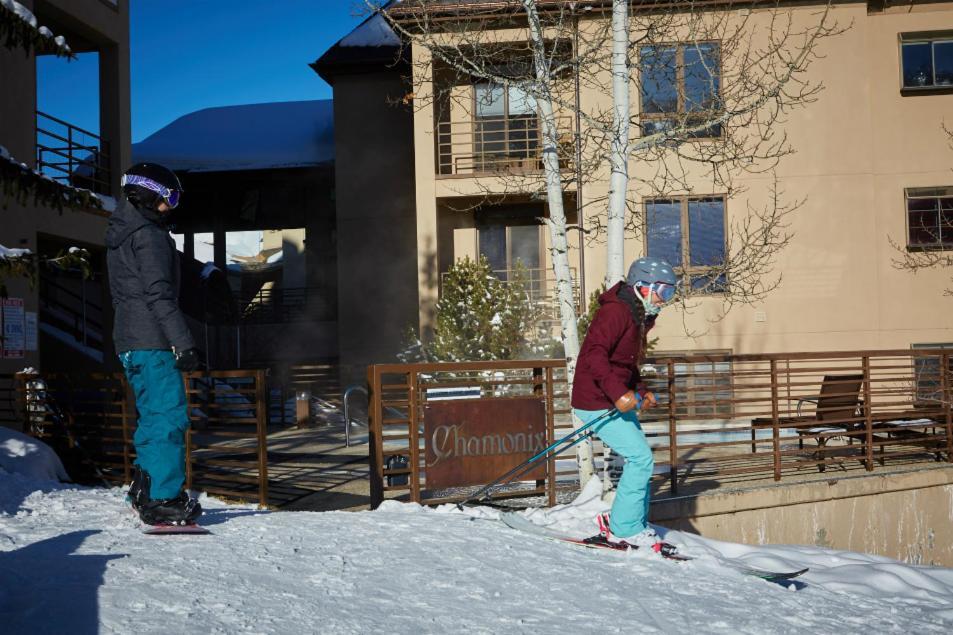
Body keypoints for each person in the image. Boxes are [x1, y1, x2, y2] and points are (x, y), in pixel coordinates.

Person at [105, 162, 202, 526]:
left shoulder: (122, 232)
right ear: (146, 195)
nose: (171, 206)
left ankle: (144, 487)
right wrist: (183, 343)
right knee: (168, 416)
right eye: (168, 198)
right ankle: (162, 498)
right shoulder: (148, 235)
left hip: (130, 340)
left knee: (151, 415)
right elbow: (159, 295)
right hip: (153, 340)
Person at [571, 257, 678, 548]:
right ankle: (624, 529)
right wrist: (618, 393)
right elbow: (594, 355)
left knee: (639, 458)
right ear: (643, 287)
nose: (665, 299)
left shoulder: (635, 315)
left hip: (610, 396)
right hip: (595, 399)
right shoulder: (616, 312)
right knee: (641, 458)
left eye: (671, 293)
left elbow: (624, 364)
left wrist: (640, 389)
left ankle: (629, 521)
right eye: (664, 292)